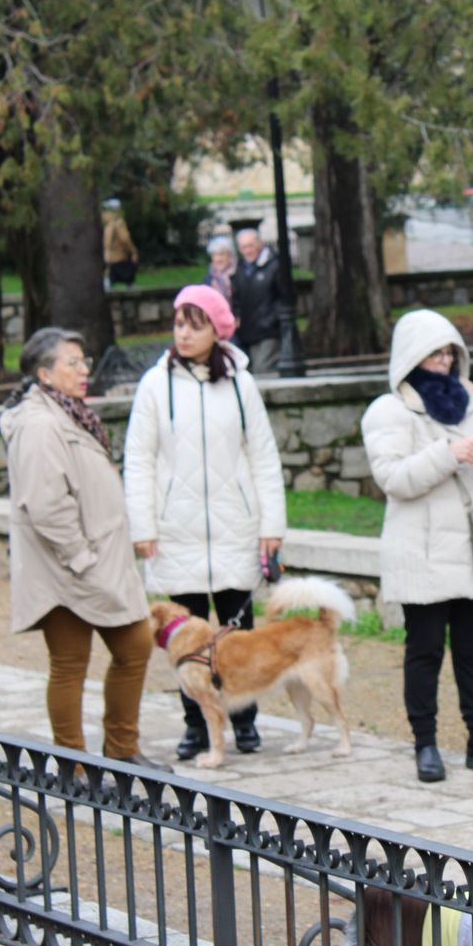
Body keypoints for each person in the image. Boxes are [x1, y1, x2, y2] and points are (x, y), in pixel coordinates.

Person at [123, 284, 286, 762]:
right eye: (179, 324)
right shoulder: (155, 385)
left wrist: (271, 524)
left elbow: (263, 456)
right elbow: (139, 458)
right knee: (184, 637)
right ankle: (195, 723)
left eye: (195, 325)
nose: (185, 333)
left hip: (236, 526)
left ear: (218, 329)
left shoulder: (240, 383)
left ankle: (244, 719)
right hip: (177, 531)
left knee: (239, 630)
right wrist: (144, 527)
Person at [0, 327, 168, 771]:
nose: (83, 370)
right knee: (71, 664)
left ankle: (121, 750)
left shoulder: (67, 413)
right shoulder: (38, 423)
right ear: (44, 374)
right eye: (71, 363)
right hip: (66, 569)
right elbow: (44, 503)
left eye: (83, 361)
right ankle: (73, 767)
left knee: (134, 646)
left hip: (95, 563)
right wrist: (79, 556)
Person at [361, 310, 473, 783]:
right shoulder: (388, 411)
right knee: (423, 652)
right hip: (421, 554)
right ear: (411, 357)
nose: (445, 361)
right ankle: (424, 744)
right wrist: (448, 454)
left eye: (450, 351)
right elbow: (393, 479)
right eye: (434, 352)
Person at [230, 226, 283, 376]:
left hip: (269, 330)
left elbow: (284, 297)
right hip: (248, 331)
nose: (247, 250)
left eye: (250, 245)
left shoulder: (274, 265)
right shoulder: (240, 269)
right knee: (251, 371)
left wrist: (273, 319)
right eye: (243, 247)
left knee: (264, 369)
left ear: (259, 244)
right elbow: (236, 298)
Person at [101, 198, 139, 288]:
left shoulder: (108, 225)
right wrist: (133, 251)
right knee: (127, 277)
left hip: (108, 257)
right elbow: (125, 239)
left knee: (109, 279)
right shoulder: (118, 223)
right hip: (119, 257)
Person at [205, 234, 236, 302]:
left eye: (221, 254)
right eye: (215, 255)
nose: (218, 259)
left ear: (230, 255)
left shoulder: (238, 274)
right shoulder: (209, 277)